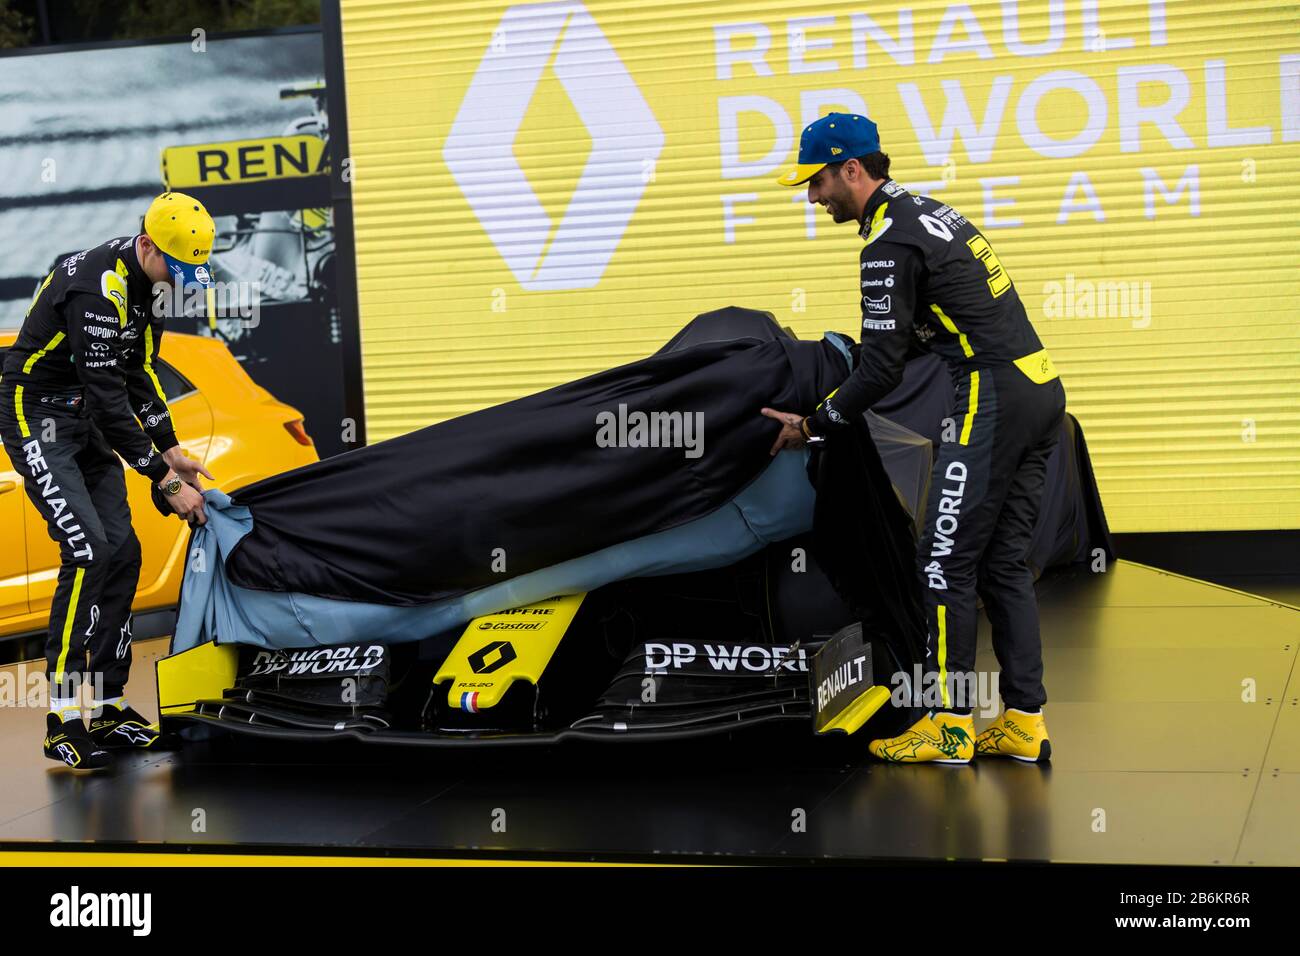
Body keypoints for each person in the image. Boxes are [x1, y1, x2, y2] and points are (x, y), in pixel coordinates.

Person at [764, 113, 1064, 764]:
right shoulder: (925, 211)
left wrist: (813, 423)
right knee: (1003, 565)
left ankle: (948, 724)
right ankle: (1023, 720)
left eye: (816, 183)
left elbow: (880, 367)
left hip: (993, 393)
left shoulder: (886, 244)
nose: (813, 199)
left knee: (942, 562)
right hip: (1038, 388)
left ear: (852, 168)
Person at [0, 192, 215, 770]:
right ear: (147, 245)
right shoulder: (100, 289)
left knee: (123, 551)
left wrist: (171, 448)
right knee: (87, 549)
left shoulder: (153, 286)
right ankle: (63, 718)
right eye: (177, 268)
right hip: (36, 412)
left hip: (85, 414)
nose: (183, 282)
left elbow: (139, 370)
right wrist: (166, 483)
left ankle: (113, 705)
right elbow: (109, 395)